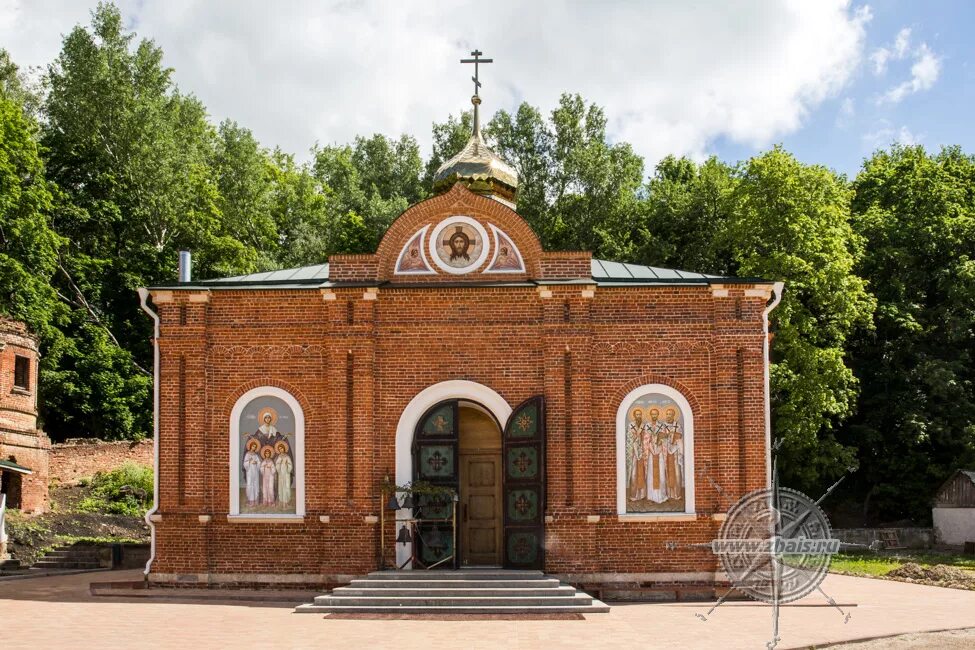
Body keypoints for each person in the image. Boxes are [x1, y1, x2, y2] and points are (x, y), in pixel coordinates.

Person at [644, 407, 668, 503]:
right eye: (652, 414)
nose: (654, 416)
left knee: (661, 473)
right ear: (650, 415)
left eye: (655, 414)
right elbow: (645, 440)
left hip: (660, 453)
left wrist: (658, 449)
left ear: (658, 415)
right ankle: (651, 496)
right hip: (651, 453)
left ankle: (661, 496)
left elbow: (665, 439)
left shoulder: (661, 426)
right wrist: (651, 449)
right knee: (651, 474)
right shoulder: (647, 426)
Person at [627, 408, 649, 501]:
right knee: (634, 473)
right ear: (634, 416)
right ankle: (633, 495)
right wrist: (635, 438)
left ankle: (642, 494)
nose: (639, 416)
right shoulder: (631, 425)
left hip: (643, 451)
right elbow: (629, 438)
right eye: (637, 415)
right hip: (634, 453)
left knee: (643, 473)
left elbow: (647, 437)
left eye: (640, 415)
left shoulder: (644, 426)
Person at [664, 407, 684, 500]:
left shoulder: (678, 426)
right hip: (666, 452)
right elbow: (660, 437)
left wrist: (673, 435)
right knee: (667, 472)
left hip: (675, 452)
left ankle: (677, 494)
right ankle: (668, 494)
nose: (668, 416)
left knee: (676, 472)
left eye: (670, 414)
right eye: (667, 414)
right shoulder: (663, 426)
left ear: (673, 415)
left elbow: (679, 437)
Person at [274, 441, 294, 507]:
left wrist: (287, 465)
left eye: (282, 448)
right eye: (279, 449)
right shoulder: (279, 457)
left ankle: (286, 501)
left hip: (286, 474)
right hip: (281, 474)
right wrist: (279, 464)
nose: (281, 450)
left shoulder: (287, 456)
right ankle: (282, 501)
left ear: (284, 449)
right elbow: (276, 464)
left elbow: (290, 464)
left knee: (287, 486)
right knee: (281, 486)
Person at [242, 439, 261, 506]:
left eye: (255, 447)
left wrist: (256, 462)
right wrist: (249, 461)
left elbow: (259, 462)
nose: (254, 448)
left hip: (255, 471)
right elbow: (245, 463)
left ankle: (255, 500)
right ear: (250, 446)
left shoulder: (256, 455)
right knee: (250, 484)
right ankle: (251, 501)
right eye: (253, 446)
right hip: (250, 471)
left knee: (255, 484)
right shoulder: (247, 454)